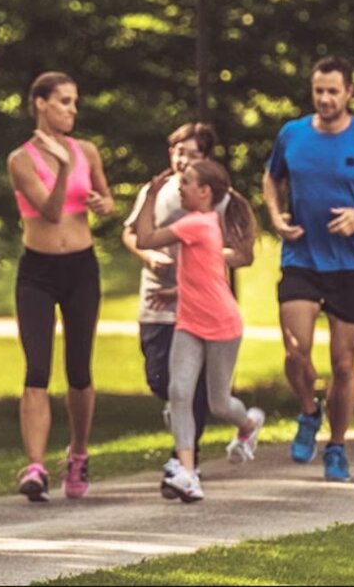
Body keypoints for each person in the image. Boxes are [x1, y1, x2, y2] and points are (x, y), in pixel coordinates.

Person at [263, 55, 354, 481]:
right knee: (296, 350)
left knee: (343, 365)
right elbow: (271, 178)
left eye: (333, 91)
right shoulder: (291, 134)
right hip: (302, 259)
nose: (326, 98)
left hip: (349, 264)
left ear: (349, 92)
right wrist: (275, 216)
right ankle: (309, 413)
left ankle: (337, 446)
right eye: (319, 91)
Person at [7, 71, 114, 502]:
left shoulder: (87, 150)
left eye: (75, 102)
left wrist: (104, 204)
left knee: (80, 370)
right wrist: (65, 168)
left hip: (81, 269)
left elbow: (105, 201)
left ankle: (79, 454)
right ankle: (35, 467)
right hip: (37, 271)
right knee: (36, 370)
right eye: (64, 102)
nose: (72, 109)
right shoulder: (20, 159)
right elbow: (50, 214)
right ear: (41, 104)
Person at [134, 159, 264, 502]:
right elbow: (206, 276)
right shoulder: (202, 226)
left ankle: (248, 426)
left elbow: (145, 237)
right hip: (189, 323)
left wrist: (148, 196)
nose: (180, 186)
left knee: (219, 403)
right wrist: (176, 293)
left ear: (204, 192)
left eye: (187, 182)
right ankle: (188, 473)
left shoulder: (197, 224)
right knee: (180, 393)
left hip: (222, 325)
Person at [121, 123, 242, 487]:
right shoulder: (153, 191)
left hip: (198, 306)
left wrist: (210, 257)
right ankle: (183, 437)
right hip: (157, 298)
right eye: (175, 151)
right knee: (161, 379)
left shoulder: (215, 198)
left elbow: (238, 244)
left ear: (204, 160)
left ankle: (185, 460)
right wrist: (147, 256)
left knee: (189, 387)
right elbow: (132, 232)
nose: (180, 159)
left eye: (189, 153)